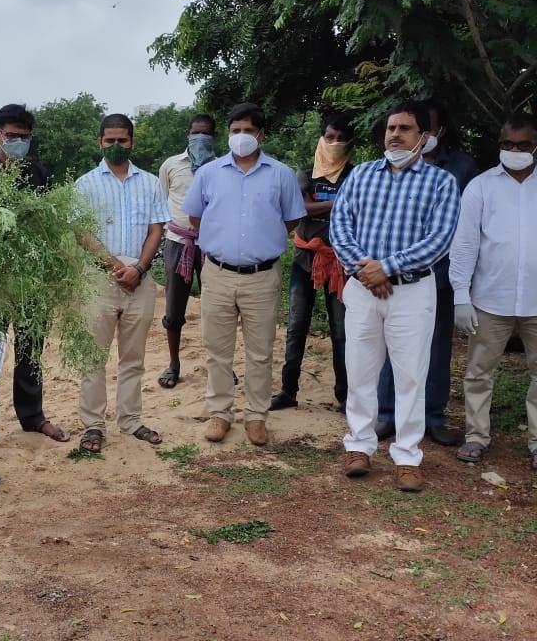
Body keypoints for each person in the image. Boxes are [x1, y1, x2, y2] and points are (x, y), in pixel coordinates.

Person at [329, 100, 460, 492]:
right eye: (390, 128)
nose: (395, 135)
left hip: (412, 293)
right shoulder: (362, 175)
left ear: (423, 136)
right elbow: (340, 226)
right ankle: (359, 446)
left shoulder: (440, 182)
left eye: (405, 128)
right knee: (361, 369)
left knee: (410, 376)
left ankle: (406, 456)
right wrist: (365, 270)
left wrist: (387, 267)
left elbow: (439, 239)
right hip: (363, 289)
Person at [183, 101, 305, 446]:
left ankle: (256, 416)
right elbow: (195, 217)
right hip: (218, 273)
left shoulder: (280, 173)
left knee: (261, 351)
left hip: (262, 275)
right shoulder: (209, 173)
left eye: (248, 131)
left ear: (261, 133)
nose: (241, 137)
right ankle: (220, 413)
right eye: (235, 131)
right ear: (228, 134)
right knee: (216, 349)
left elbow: (292, 219)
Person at [0, 103, 70, 442]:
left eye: (24, 137)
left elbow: (52, 225)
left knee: (30, 350)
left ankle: (33, 416)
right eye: (12, 136)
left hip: (32, 283)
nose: (18, 142)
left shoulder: (40, 174)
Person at [375, 99, 478, 445]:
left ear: (436, 132)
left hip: (440, 277)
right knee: (393, 346)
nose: (405, 134)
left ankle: (432, 417)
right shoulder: (386, 171)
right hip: (395, 277)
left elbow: (460, 227)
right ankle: (387, 415)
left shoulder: (460, 169)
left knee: (436, 349)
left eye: (424, 128)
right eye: (397, 128)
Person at [75, 113, 170, 452]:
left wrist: (140, 269)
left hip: (140, 278)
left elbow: (157, 228)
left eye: (123, 140)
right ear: (99, 141)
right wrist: (116, 266)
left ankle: (130, 420)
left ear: (132, 141)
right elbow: (81, 233)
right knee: (93, 357)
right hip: (100, 277)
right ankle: (93, 426)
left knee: (133, 357)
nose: (116, 146)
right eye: (109, 140)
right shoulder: (85, 185)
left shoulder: (149, 183)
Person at [449, 112, 537, 472]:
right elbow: (466, 244)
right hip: (489, 298)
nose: (514, 150)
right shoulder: (481, 187)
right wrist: (460, 295)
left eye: (523, 145)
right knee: (478, 372)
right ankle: (476, 436)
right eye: (507, 144)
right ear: (499, 144)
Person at [271, 113, 354, 413]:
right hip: (304, 260)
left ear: (349, 143)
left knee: (341, 331)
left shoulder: (355, 175)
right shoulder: (305, 173)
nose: (334, 143)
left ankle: (345, 396)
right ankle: (287, 391)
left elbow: (357, 211)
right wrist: (338, 203)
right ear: (322, 137)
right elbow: (301, 208)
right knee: (296, 327)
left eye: (341, 138)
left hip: (340, 264)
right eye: (330, 137)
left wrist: (324, 206)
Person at [157, 113, 217, 389]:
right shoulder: (171, 165)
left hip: (214, 244)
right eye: (196, 133)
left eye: (206, 133)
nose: (200, 138)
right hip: (178, 242)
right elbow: (163, 201)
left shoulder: (222, 168)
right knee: (174, 307)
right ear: (187, 134)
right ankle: (173, 365)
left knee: (219, 308)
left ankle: (220, 366)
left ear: (214, 137)